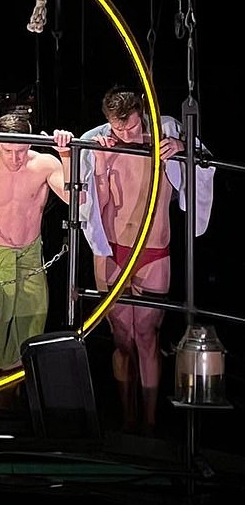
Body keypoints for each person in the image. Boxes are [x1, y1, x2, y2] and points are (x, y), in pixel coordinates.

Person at [79, 86, 215, 435]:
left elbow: (200, 163)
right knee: (122, 338)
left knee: (147, 336)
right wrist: (101, 166)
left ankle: (151, 420)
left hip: (154, 252)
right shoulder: (102, 143)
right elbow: (99, 205)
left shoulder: (165, 138)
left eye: (130, 126)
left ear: (141, 114)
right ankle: (127, 415)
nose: (124, 133)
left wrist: (184, 150)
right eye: (117, 127)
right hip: (115, 250)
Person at [0, 113, 74, 381]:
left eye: (21, 150)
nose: (15, 158)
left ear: (30, 145)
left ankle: (18, 394)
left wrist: (65, 156)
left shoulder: (45, 164)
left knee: (33, 323)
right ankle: (2, 397)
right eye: (8, 150)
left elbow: (73, 199)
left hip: (31, 255)